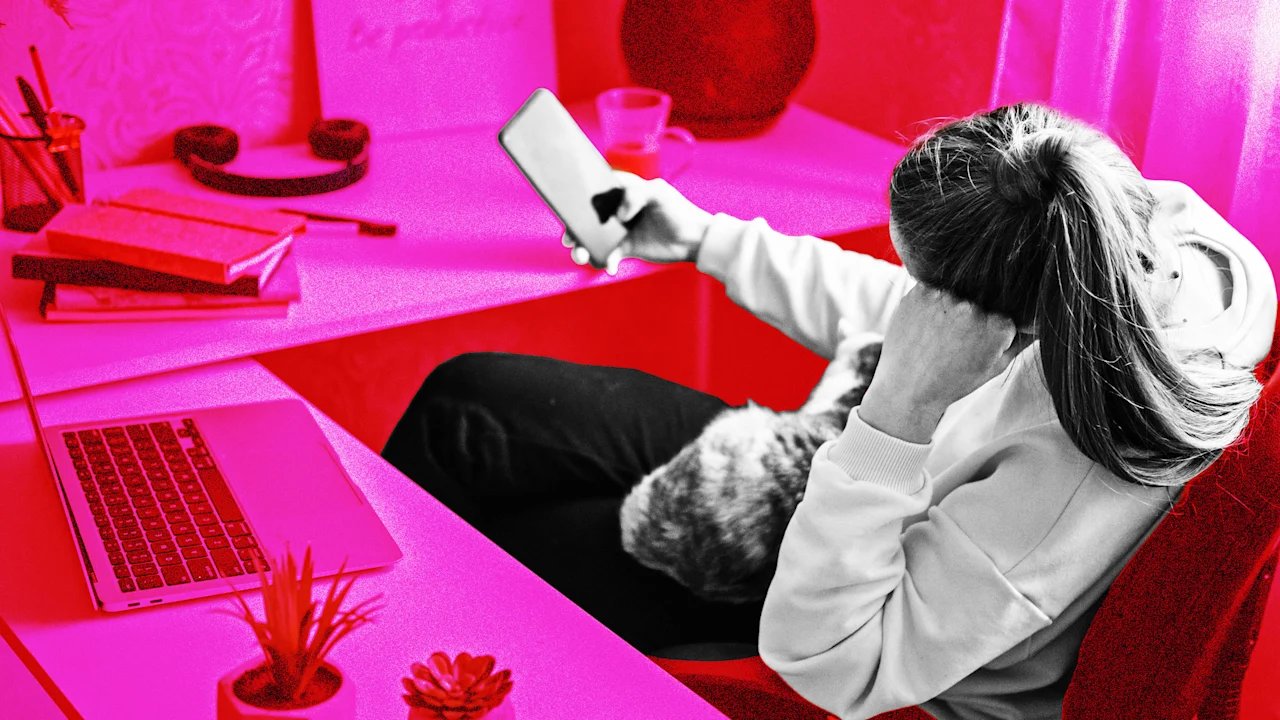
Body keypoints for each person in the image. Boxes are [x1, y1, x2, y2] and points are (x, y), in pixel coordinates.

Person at [381, 103, 1274, 719]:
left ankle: (376, 672)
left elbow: (837, 662)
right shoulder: (1125, 235)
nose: (912, 298)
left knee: (490, 548)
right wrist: (705, 238)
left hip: (851, 600)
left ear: (1002, 330)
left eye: (928, 289)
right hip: (853, 471)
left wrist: (902, 406)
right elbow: (906, 313)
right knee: (466, 402)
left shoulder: (1068, 484)